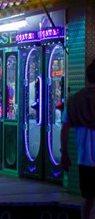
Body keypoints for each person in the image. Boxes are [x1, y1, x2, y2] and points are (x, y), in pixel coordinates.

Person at [61, 58, 95, 219]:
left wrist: (64, 154)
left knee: (88, 200)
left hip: (84, 160)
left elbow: (65, 128)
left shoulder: (74, 101)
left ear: (86, 78)